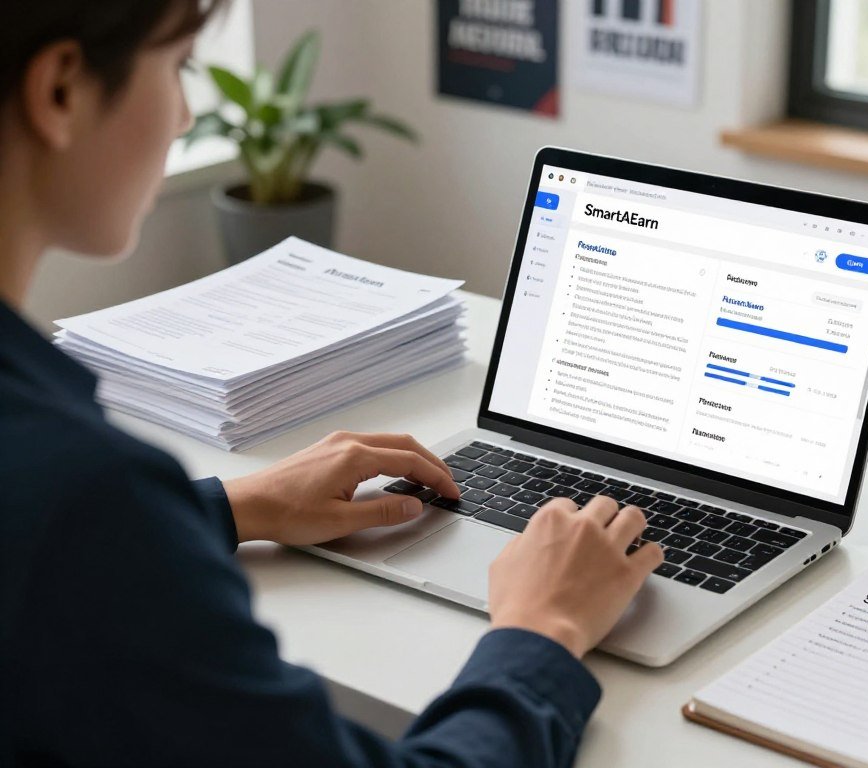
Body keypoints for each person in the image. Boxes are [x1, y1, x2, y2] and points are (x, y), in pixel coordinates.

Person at [0, 2, 665, 766]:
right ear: (58, 91)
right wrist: (544, 630)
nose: (185, 116)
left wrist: (231, 505)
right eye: (178, 66)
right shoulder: (83, 498)